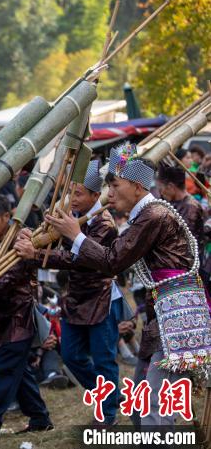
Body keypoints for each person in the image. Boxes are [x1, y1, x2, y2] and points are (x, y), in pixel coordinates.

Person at [44, 143, 211, 427]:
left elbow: (113, 260)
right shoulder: (148, 214)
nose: (109, 194)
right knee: (142, 403)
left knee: (155, 405)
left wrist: (75, 235)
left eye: (114, 186)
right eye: (108, 186)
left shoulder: (154, 215)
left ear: (136, 187)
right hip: (164, 315)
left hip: (176, 317)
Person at [15, 161, 121, 425]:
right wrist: (32, 235)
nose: (72, 198)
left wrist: (36, 253)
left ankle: (108, 413)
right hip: (74, 297)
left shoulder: (105, 224)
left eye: (79, 193)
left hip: (101, 298)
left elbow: (79, 259)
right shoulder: (70, 216)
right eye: (70, 191)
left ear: (95, 196)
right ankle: (110, 396)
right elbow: (51, 242)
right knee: (72, 356)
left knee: (104, 360)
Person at [0, 194, 53, 439]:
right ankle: (40, 418)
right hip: (2, 319)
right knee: (20, 371)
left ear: (7, 216)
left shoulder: (22, 242)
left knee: (5, 369)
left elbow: (11, 277)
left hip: (20, 318)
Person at [155, 165, 204, 246]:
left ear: (170, 187)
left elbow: (182, 242)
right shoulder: (170, 200)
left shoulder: (191, 208)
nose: (161, 193)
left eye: (161, 189)